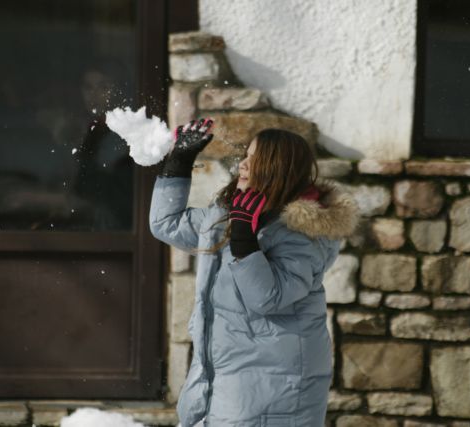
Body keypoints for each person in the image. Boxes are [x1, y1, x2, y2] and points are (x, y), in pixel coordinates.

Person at [149, 119, 361, 427]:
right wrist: (179, 162)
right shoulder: (229, 215)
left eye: (255, 158)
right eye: (246, 155)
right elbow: (165, 224)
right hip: (227, 377)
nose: (243, 164)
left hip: (274, 387)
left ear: (276, 167)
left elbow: (268, 298)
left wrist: (245, 241)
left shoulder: (301, 235)